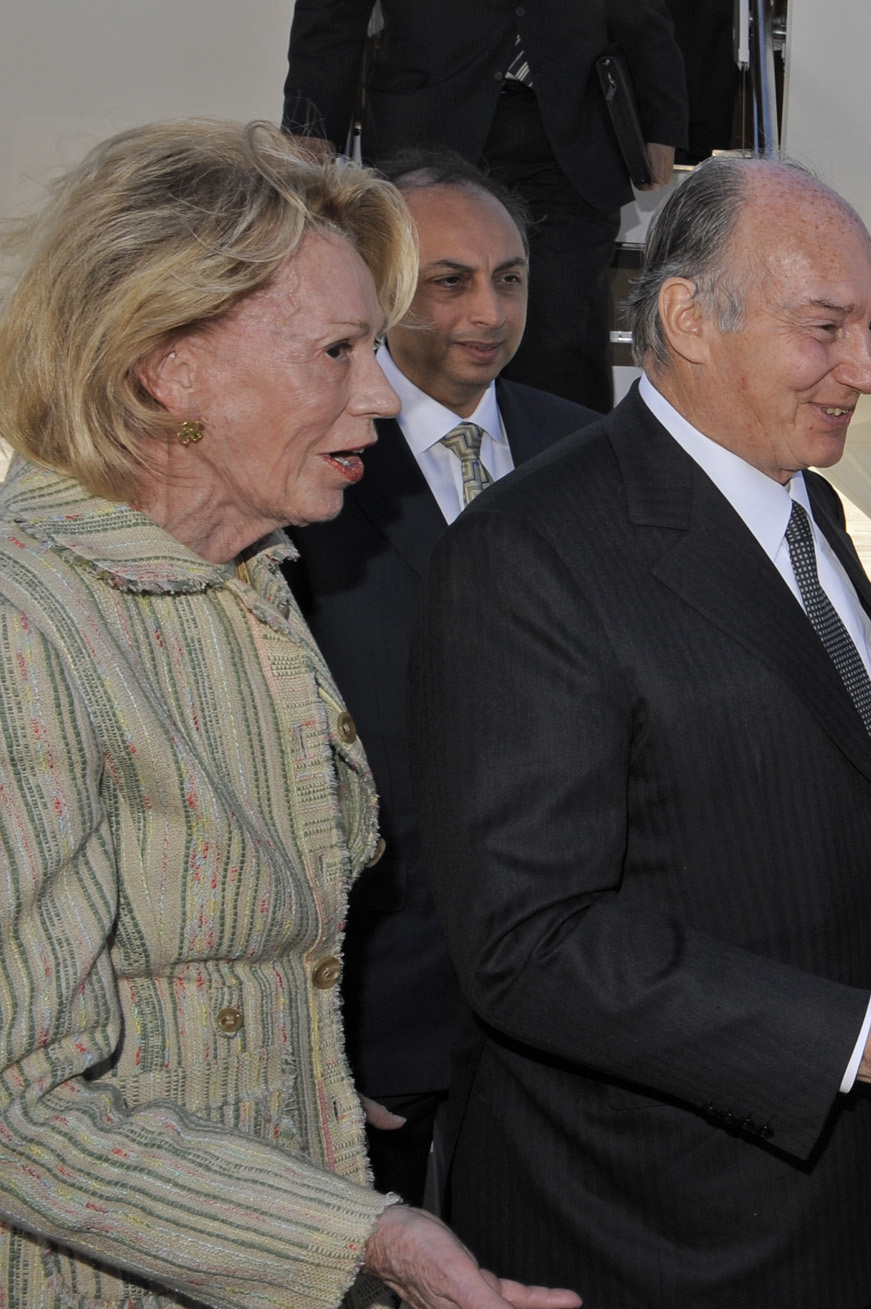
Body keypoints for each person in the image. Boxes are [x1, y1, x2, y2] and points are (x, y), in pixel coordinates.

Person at [409, 156, 871, 1309]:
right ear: (686, 318)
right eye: (825, 329)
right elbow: (532, 937)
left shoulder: (800, 509)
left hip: (826, 1238)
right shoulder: (533, 555)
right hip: (643, 1276)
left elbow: (780, 774)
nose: (869, 371)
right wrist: (868, 1036)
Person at [0, 119, 609, 1309]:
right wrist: (371, 1232)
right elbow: (19, 1106)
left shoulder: (250, 587)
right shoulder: (25, 630)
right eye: (337, 353)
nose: (383, 396)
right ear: (167, 367)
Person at [286, 148, 599, 1210]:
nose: (489, 309)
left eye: (509, 277)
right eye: (449, 279)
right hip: (383, 1004)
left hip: (570, 998)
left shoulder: (592, 453)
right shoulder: (306, 466)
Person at [283, 0, 688, 412]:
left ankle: (569, 473)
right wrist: (310, 124)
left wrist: (660, 121)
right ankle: (419, 471)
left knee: (565, 341)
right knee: (422, 330)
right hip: (427, 120)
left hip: (571, 136)